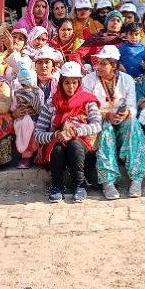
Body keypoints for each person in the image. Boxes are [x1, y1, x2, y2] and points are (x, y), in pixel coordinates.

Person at [81, 44, 145, 199]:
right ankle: (108, 181)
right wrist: (106, 115)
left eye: (103, 63)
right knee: (105, 129)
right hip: (99, 120)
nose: (98, 66)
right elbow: (86, 107)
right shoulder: (89, 80)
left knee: (133, 123)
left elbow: (132, 106)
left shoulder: (127, 80)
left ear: (114, 65)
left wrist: (125, 113)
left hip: (122, 120)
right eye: (98, 63)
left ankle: (137, 179)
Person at [35, 61, 102, 203]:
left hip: (83, 145)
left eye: (74, 83)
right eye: (66, 83)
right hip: (58, 142)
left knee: (74, 145)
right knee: (57, 148)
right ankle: (57, 186)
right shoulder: (52, 103)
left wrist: (75, 132)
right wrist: (54, 135)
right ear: (61, 83)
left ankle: (80, 184)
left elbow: (97, 125)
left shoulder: (87, 100)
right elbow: (38, 133)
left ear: (79, 83)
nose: (70, 87)